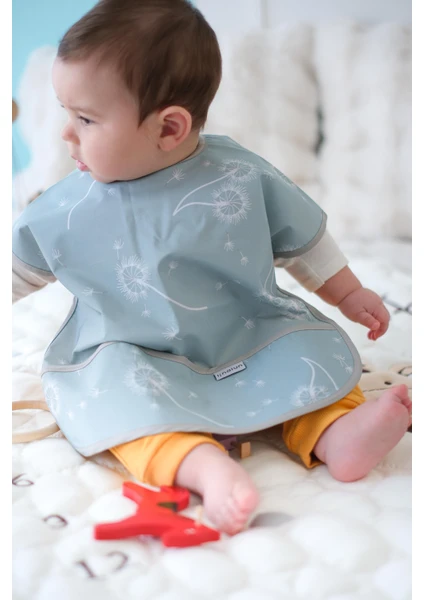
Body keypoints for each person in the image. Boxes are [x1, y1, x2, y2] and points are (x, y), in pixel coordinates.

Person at [12, 0, 411, 535]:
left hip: (249, 332)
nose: (66, 134)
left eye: (85, 119)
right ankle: (202, 466)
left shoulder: (238, 176)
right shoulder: (68, 207)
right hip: (133, 352)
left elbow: (302, 239)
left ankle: (336, 433)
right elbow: (18, 268)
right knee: (114, 401)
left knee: (304, 356)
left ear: (169, 127)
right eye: (66, 113)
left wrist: (348, 292)